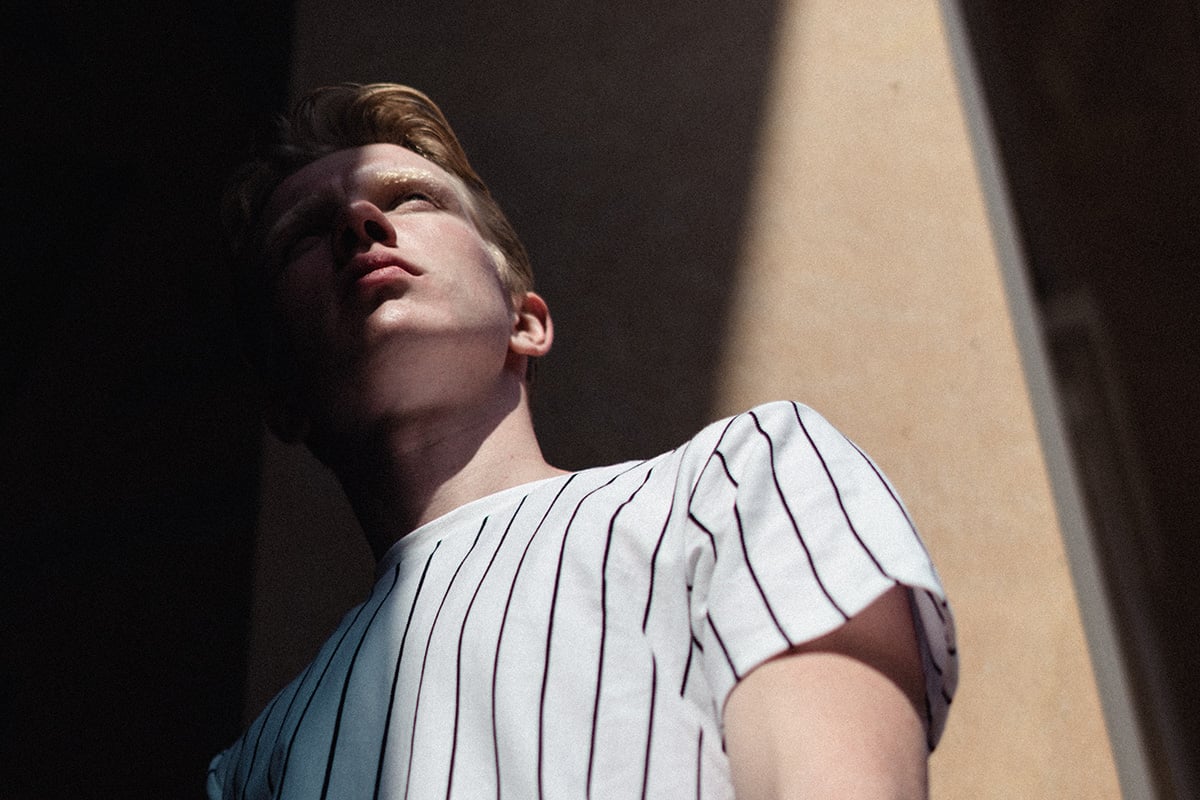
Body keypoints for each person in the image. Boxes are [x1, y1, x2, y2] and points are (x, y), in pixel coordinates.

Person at [208, 82, 957, 800]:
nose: (359, 222)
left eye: (412, 198)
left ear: (524, 321)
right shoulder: (254, 769)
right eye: (304, 234)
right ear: (284, 399)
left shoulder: (742, 482)